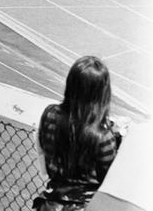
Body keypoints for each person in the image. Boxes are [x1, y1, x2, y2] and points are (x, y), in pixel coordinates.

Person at [32, 56, 123, 210]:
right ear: (102, 92)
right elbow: (109, 181)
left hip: (51, 202)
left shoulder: (49, 114)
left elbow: (44, 147)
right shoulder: (102, 136)